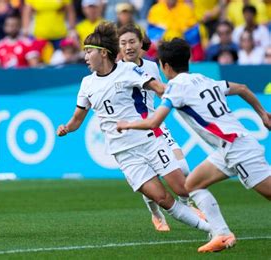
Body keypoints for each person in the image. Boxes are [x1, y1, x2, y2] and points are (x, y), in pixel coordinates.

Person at [57, 22, 211, 238]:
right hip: (124, 153)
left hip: (150, 139)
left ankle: (216, 226)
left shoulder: (128, 69)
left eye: (88, 51)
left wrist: (182, 97)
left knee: (183, 188)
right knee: (162, 199)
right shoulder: (86, 84)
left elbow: (158, 88)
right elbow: (77, 119)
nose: (85, 57)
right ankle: (212, 231)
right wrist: (66, 128)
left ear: (102, 53)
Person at [117, 38, 271, 252]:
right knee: (192, 185)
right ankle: (222, 234)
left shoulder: (175, 88)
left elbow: (153, 122)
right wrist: (263, 114)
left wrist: (127, 124)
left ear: (165, 66)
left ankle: (222, 233)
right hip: (227, 148)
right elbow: (243, 88)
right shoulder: (203, 79)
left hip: (238, 149)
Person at [117, 24, 204, 232]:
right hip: (132, 131)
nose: (128, 47)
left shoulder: (152, 67)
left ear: (140, 44)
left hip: (155, 124)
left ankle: (186, 205)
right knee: (150, 179)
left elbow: (161, 93)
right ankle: (156, 214)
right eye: (123, 43)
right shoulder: (115, 71)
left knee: (182, 167)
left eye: (132, 42)